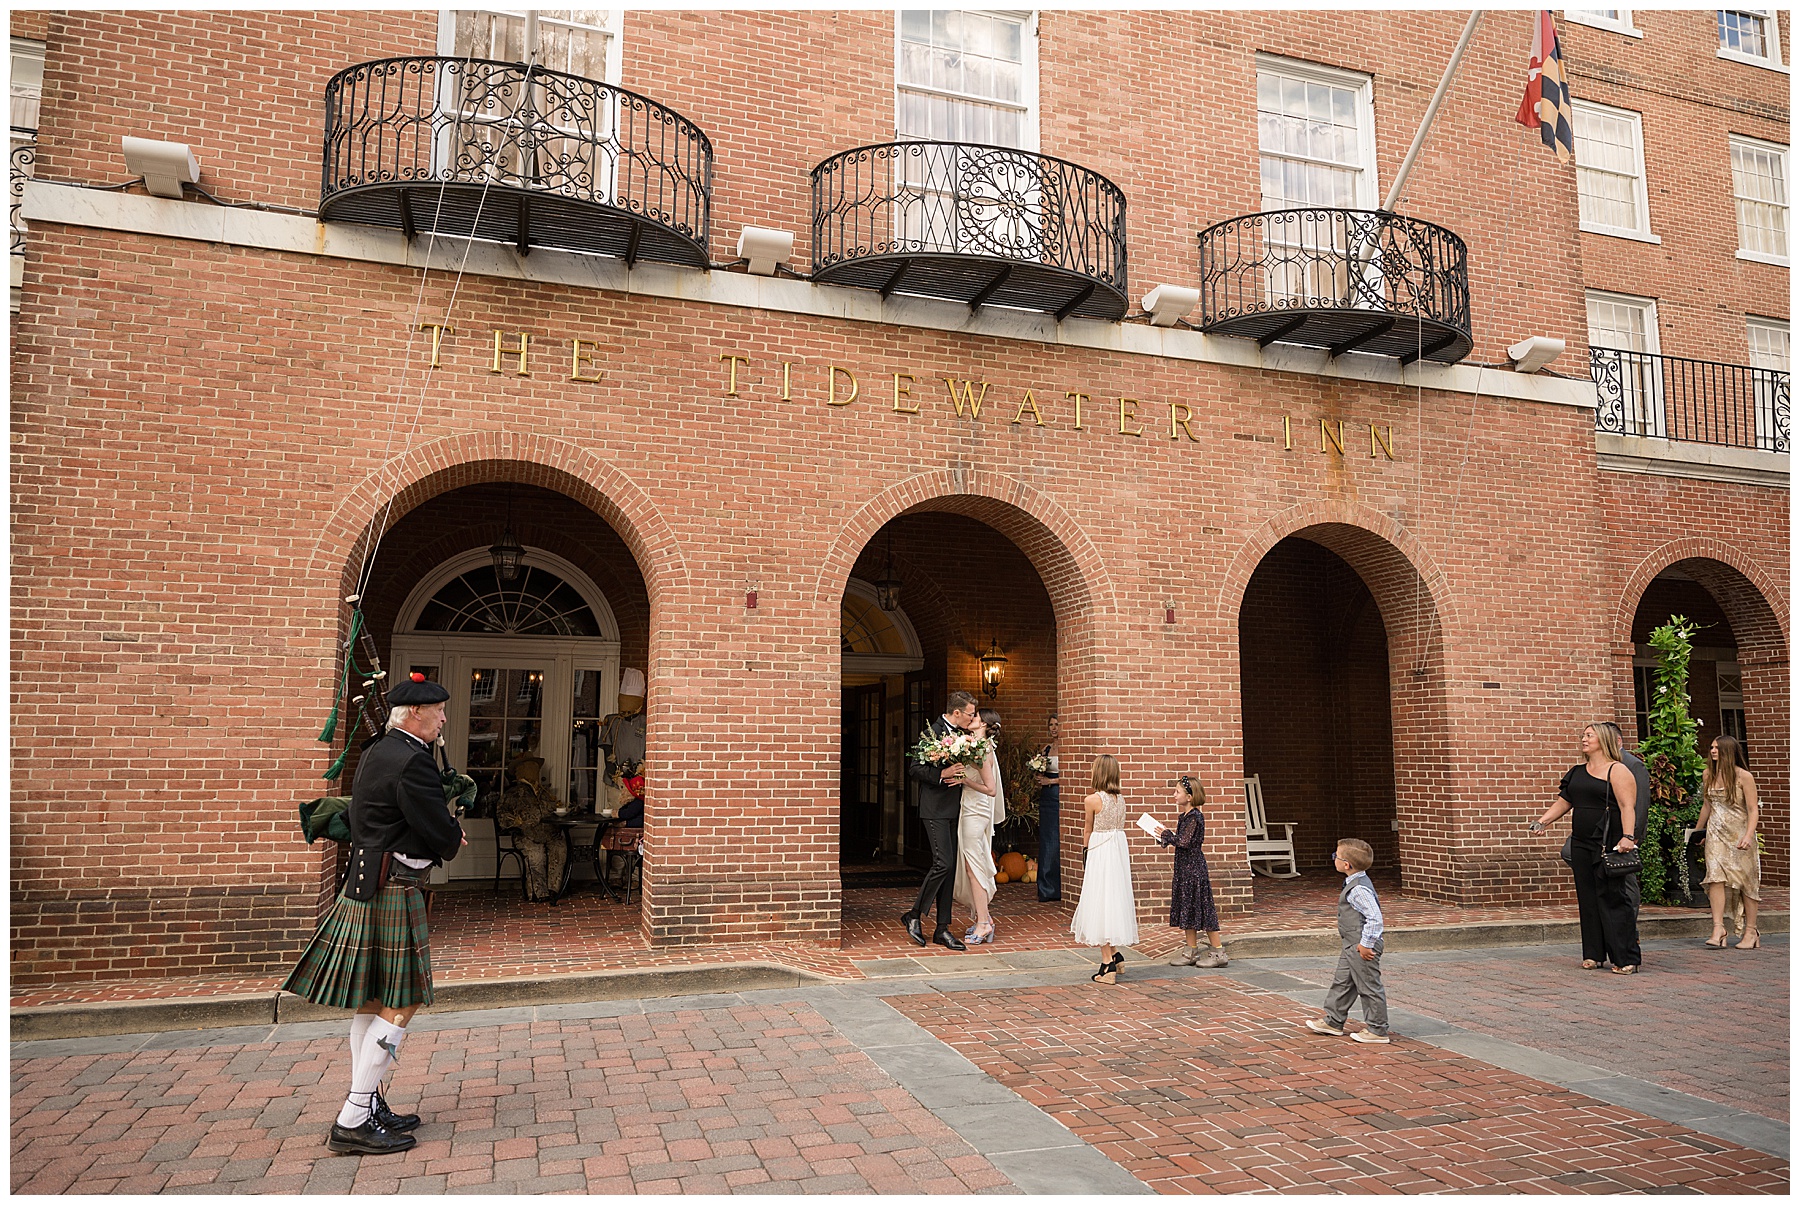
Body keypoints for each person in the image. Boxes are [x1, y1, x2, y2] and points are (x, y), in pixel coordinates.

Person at [283, 672, 467, 1155]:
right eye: (439, 711)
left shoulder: (377, 752)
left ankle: (366, 1106)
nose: (444, 718)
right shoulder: (412, 760)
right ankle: (353, 1117)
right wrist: (452, 834)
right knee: (401, 1002)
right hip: (394, 889)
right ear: (414, 715)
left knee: (373, 1000)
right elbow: (432, 824)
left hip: (368, 883)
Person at [1530, 722, 1641, 974]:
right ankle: (1593, 953)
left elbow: (1627, 806)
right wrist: (1543, 822)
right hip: (1581, 842)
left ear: (1603, 740)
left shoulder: (1618, 770)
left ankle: (1625, 957)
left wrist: (1627, 836)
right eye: (1583, 735)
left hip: (1608, 842)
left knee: (1612, 897)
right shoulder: (1578, 771)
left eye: (1589, 735)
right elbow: (1565, 801)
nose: (1584, 739)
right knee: (1588, 898)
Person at [902, 690, 978, 950]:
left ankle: (942, 929)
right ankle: (913, 914)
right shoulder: (931, 732)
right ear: (956, 712)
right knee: (942, 863)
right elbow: (914, 768)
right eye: (970, 713)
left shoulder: (963, 735)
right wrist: (941, 773)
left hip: (955, 808)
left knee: (950, 868)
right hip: (934, 808)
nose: (973, 717)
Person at [1303, 839, 1391, 1043]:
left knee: (1368, 986)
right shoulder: (1354, 883)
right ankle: (1333, 1020)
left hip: (1362, 945)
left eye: (1336, 856)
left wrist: (1366, 944)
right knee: (1343, 981)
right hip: (1352, 944)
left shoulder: (1359, 889)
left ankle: (1377, 1029)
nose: (1334, 858)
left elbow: (1375, 918)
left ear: (1346, 865)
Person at [1071, 754, 1139, 984]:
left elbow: (1087, 830)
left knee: (1099, 903)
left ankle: (1107, 964)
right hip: (1117, 853)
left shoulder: (1091, 800)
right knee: (1112, 900)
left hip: (1100, 853)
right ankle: (1116, 954)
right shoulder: (1121, 800)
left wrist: (1085, 853)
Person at [1696, 734, 1761, 950]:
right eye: (1712, 747)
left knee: (1746, 883)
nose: (1713, 751)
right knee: (1714, 877)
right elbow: (1707, 806)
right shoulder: (1708, 775)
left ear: (1729, 751)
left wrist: (1749, 835)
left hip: (1740, 834)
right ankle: (1718, 928)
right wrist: (1698, 831)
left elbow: (1753, 809)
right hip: (1716, 834)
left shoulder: (1744, 776)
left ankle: (1751, 931)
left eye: (1717, 748)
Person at [1155, 775, 1226, 968]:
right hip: (1183, 870)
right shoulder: (1184, 817)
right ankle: (1190, 950)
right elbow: (1179, 839)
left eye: (1177, 792)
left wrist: (1168, 835)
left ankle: (1218, 952)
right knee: (1188, 908)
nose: (1174, 795)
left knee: (1203, 908)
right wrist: (1164, 835)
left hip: (1194, 869)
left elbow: (1184, 842)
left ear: (1189, 796)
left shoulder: (1195, 816)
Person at [953, 709, 1006, 945]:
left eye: (974, 717)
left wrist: (965, 780)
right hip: (969, 808)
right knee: (971, 865)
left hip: (976, 811)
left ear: (983, 723)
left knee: (974, 866)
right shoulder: (974, 745)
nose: (970, 719)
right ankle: (985, 919)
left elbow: (991, 789)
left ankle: (984, 923)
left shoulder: (983, 748)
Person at [495, 754, 567, 902]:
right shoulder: (514, 794)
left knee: (560, 847)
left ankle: (554, 888)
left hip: (548, 833)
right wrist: (518, 823)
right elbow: (504, 818)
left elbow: (552, 809)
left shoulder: (543, 793)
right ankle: (538, 892)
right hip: (525, 835)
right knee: (536, 853)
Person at [1035, 715, 1062, 902]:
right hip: (1046, 796)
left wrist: (1050, 781)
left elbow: (1072, 775)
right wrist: (1038, 775)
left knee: (1056, 838)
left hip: (1058, 793)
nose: (1053, 728)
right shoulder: (1045, 749)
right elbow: (1039, 772)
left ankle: (1058, 886)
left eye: (1056, 724)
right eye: (1050, 725)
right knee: (1046, 839)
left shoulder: (1067, 748)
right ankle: (1045, 888)